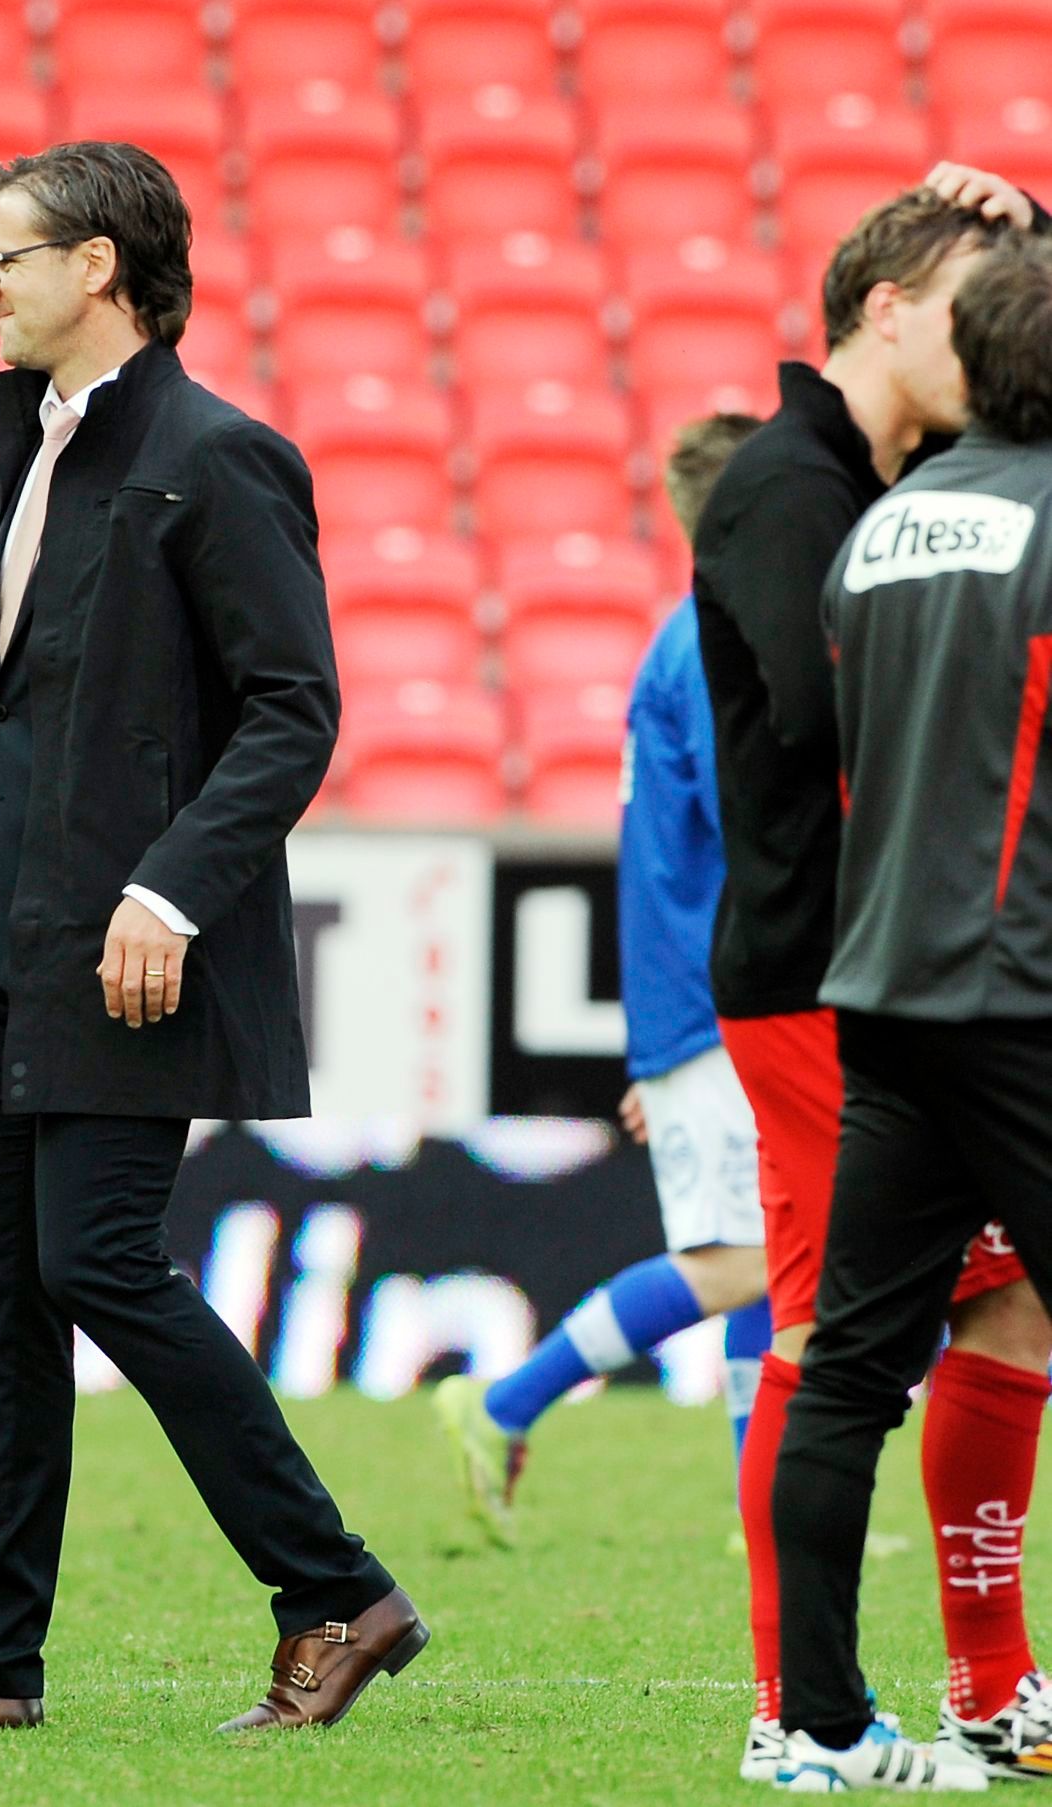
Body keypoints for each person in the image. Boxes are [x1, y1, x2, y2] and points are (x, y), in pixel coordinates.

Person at [0, 142, 422, 1735]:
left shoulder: (220, 458)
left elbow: (294, 710)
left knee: (94, 1256)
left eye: (7, 255)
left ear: (98, 265)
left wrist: (170, 890)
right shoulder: (24, 460)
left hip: (125, 952)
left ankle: (337, 1590)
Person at [695, 171, 1052, 1783]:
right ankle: (799, 1705)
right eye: (980, 294)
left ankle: (981, 1681)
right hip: (831, 972)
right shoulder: (789, 487)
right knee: (830, 1331)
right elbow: (831, 723)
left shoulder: (891, 497)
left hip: (898, 969)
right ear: (894, 310)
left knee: (988, 1306)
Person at [436, 413, 771, 1546]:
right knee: (741, 1259)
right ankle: (503, 1401)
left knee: (774, 1253)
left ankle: (762, 1505)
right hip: (729, 996)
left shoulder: (695, 637)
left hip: (712, 999)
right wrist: (697, 1032)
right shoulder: (719, 648)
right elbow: (756, 840)